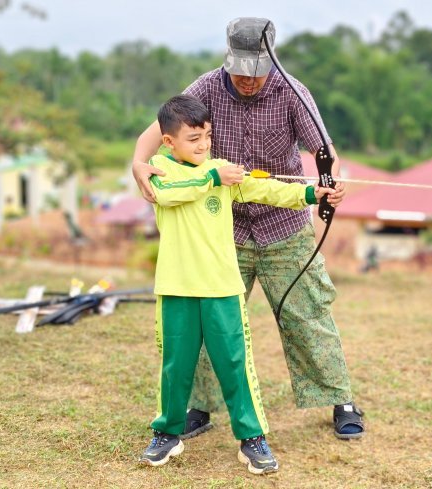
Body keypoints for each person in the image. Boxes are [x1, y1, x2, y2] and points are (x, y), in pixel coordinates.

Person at [131, 17, 364, 441]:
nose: (248, 80)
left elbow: (322, 149)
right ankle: (199, 407)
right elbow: (158, 132)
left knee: (308, 313)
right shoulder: (204, 87)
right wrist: (136, 163)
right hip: (222, 229)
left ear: (270, 62)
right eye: (239, 71)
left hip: (284, 225)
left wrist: (328, 182)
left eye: (256, 72)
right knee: (209, 321)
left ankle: (340, 400)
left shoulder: (292, 91)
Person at [138, 95, 335, 473]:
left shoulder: (221, 171)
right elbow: (169, 195)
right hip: (177, 287)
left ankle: (252, 439)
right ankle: (167, 433)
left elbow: (267, 189)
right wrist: (214, 177)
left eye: (207, 136)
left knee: (235, 364)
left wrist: (311, 193)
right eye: (193, 139)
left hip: (222, 288)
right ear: (169, 142)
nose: (203, 145)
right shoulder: (159, 171)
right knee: (176, 364)